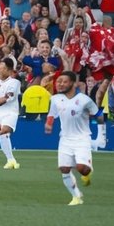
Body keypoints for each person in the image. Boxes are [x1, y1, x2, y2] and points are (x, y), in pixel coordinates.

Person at [45, 72, 103, 206]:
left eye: (64, 81)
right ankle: (76, 196)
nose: (60, 84)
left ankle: (87, 174)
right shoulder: (55, 99)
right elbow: (52, 113)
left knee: (82, 168)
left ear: (72, 83)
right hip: (65, 138)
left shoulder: (84, 99)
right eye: (58, 81)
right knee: (64, 168)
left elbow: (98, 115)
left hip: (82, 138)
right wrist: (49, 123)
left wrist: (101, 134)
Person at [0, 56, 23, 169]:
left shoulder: (15, 82)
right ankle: (11, 160)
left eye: (4, 68)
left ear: (9, 71)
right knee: (2, 135)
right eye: (0, 67)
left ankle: (11, 160)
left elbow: (7, 97)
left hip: (11, 112)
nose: (0, 69)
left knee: (4, 131)